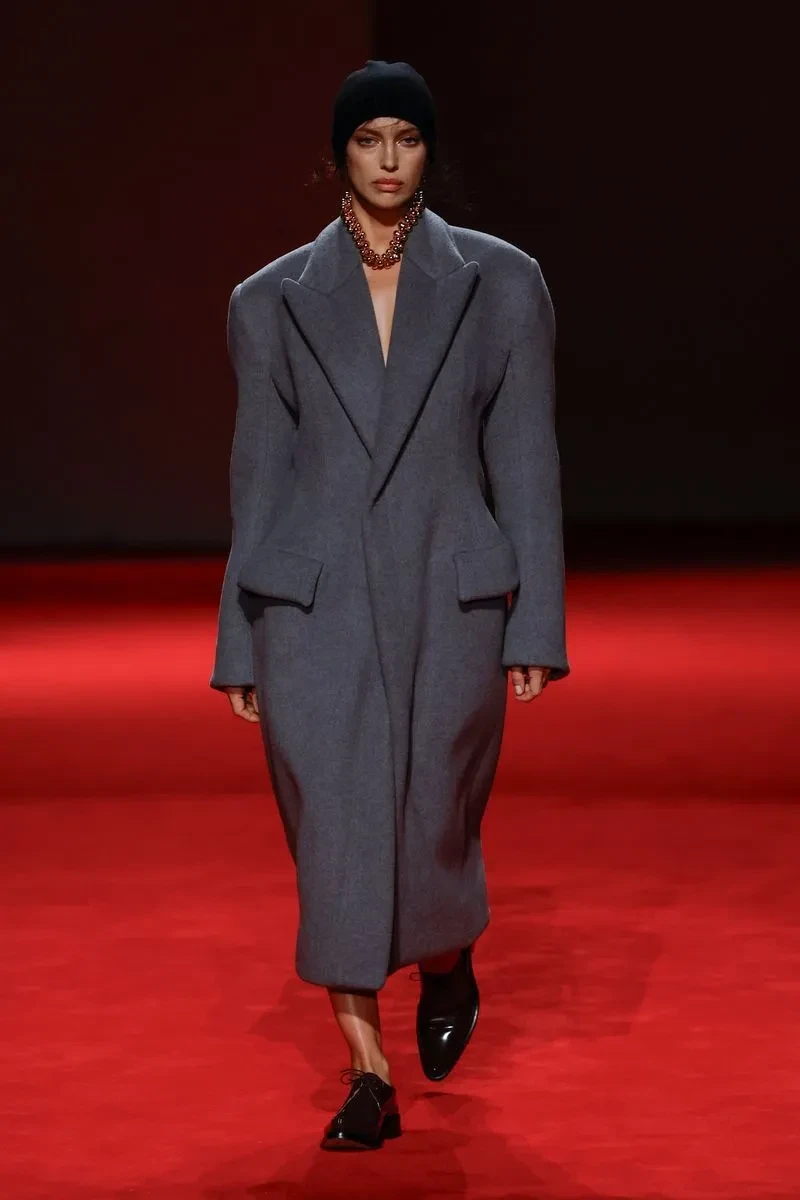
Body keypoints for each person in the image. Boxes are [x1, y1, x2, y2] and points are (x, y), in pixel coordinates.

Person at [210, 59, 569, 1151]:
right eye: (367, 139)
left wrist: (535, 621)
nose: (387, 159)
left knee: (431, 825)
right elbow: (257, 478)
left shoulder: (500, 283)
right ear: (339, 153)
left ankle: (448, 959)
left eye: (405, 139)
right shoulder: (268, 301)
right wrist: (239, 642)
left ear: (427, 151)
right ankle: (367, 1075)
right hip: (309, 606)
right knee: (332, 833)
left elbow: (525, 461)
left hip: (447, 595)